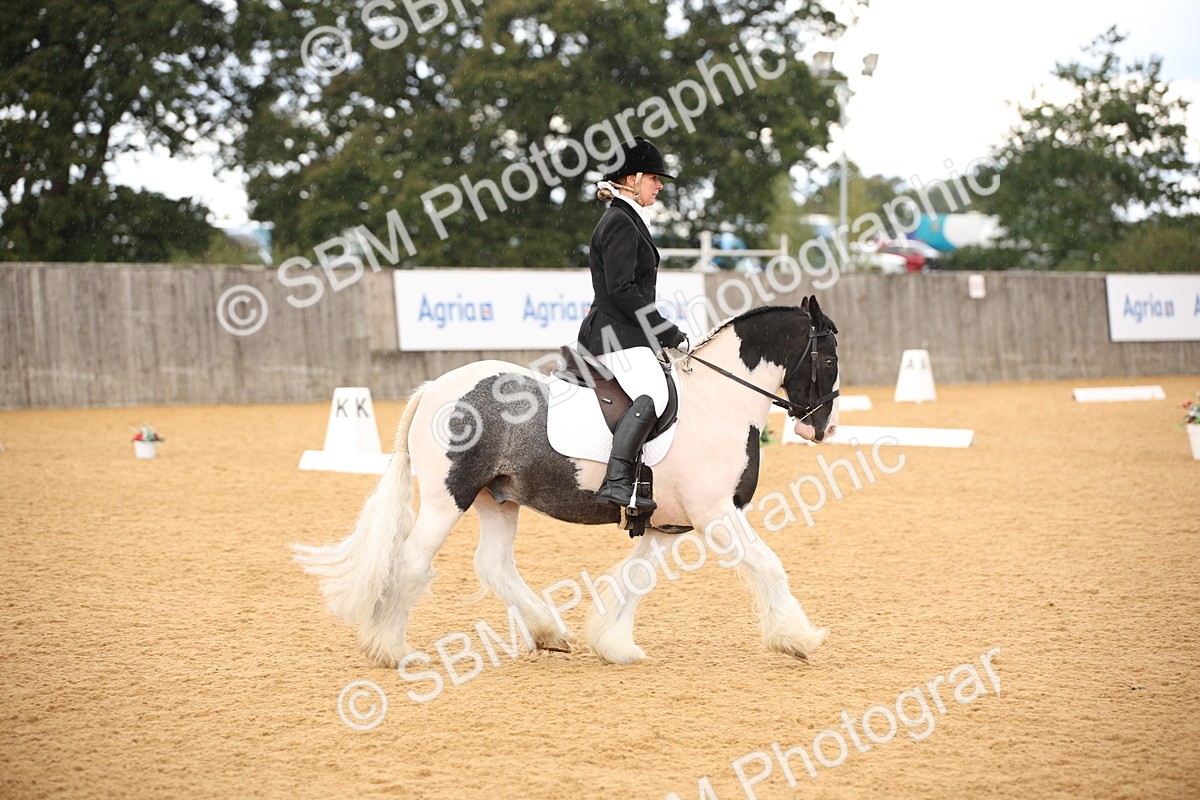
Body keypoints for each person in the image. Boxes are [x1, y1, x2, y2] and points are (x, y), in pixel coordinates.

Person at [576, 137, 690, 514]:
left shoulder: (626, 219)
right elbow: (622, 290)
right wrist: (666, 331)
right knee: (655, 394)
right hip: (613, 334)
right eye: (654, 178)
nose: (659, 186)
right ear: (633, 178)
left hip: (625, 333)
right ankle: (618, 480)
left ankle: (641, 477)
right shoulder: (620, 222)